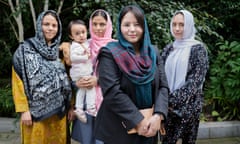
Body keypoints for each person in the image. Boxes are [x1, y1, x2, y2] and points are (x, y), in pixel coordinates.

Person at [94, 5, 169, 144]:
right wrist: (138, 120)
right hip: (118, 130)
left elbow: (163, 87)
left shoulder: (153, 52)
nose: (132, 30)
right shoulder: (109, 53)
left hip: (149, 127)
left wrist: (158, 115)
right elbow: (112, 91)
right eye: (127, 25)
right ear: (119, 26)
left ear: (144, 26)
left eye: (137, 24)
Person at [12, 10, 72, 144]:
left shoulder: (61, 52)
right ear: (39, 25)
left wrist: (71, 106)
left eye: (54, 25)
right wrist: (23, 110)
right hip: (34, 116)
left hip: (59, 116)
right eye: (46, 24)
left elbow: (69, 79)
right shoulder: (24, 50)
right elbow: (17, 81)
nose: (50, 28)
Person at [67, 9, 115, 144]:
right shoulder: (84, 44)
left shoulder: (116, 46)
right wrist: (77, 83)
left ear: (109, 25)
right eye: (94, 24)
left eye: (102, 24)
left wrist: (98, 80)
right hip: (86, 103)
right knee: (87, 140)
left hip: (107, 103)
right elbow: (72, 71)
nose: (98, 28)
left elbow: (121, 77)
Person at [161, 10, 209, 144]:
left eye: (181, 25)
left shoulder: (198, 49)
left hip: (189, 108)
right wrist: (163, 101)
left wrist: (170, 101)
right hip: (168, 110)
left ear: (189, 25)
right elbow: (160, 76)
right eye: (174, 24)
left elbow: (194, 82)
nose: (177, 28)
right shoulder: (169, 49)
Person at [68, 19, 96, 123]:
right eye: (77, 33)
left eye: (83, 32)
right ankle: (91, 107)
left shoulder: (85, 43)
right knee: (90, 88)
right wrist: (85, 57)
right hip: (80, 72)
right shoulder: (75, 45)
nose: (81, 35)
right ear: (71, 36)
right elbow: (73, 58)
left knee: (82, 90)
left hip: (82, 71)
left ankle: (79, 108)